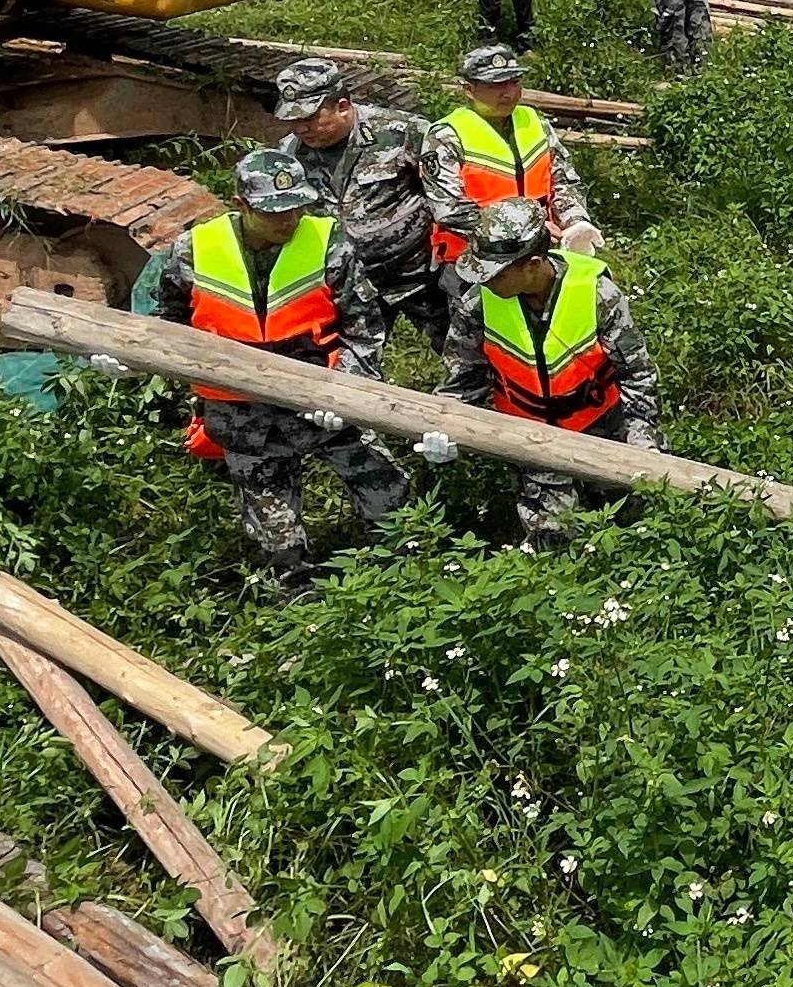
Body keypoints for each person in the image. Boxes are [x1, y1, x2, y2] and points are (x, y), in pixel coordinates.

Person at [149, 145, 413, 584]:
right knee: (273, 529)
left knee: (384, 488)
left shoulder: (329, 242)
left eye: (295, 208)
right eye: (274, 213)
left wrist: (345, 391)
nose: (288, 220)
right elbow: (168, 325)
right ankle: (297, 594)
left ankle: (404, 569)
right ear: (242, 205)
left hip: (323, 400)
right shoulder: (192, 251)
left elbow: (365, 329)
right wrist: (132, 357)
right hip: (241, 413)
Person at [435, 198, 660, 542]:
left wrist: (641, 440)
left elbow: (637, 374)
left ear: (533, 264)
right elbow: (460, 382)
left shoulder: (597, 293)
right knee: (554, 548)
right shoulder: (477, 306)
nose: (484, 281)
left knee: (637, 534)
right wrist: (444, 427)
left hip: (606, 433)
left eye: (494, 273)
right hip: (532, 446)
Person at [270, 56, 466, 371]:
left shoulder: (402, 132)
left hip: (419, 275)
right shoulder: (289, 155)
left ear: (343, 106)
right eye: (292, 119)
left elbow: (450, 196)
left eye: (310, 117)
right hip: (351, 286)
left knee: (464, 357)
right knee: (348, 368)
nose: (301, 128)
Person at [434, 42, 578, 269]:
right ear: (468, 89)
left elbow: (564, 180)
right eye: (495, 85)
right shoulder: (446, 136)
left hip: (539, 257)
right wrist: (528, 231)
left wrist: (576, 222)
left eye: (514, 82)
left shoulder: (535, 123)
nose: (508, 93)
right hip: (476, 261)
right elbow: (449, 210)